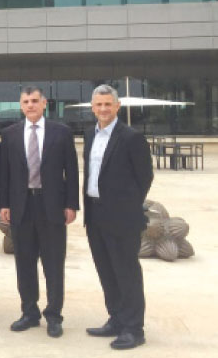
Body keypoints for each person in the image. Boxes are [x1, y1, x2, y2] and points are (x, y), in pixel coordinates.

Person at [0, 86, 78, 338]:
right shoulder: (10, 134)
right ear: (21, 105)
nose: (30, 105)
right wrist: (4, 204)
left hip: (52, 206)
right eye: (26, 101)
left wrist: (71, 204)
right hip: (22, 207)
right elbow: (5, 173)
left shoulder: (61, 132)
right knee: (24, 262)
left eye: (35, 101)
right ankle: (29, 312)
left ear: (44, 104)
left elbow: (72, 171)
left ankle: (54, 315)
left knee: (54, 263)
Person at [83, 84, 153, 350]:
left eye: (107, 104)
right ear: (93, 108)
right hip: (95, 214)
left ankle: (134, 329)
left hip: (122, 218)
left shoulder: (131, 137)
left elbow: (145, 177)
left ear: (117, 107)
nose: (103, 109)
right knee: (106, 271)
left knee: (126, 273)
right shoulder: (90, 135)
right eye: (98, 105)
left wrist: (126, 206)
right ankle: (115, 319)